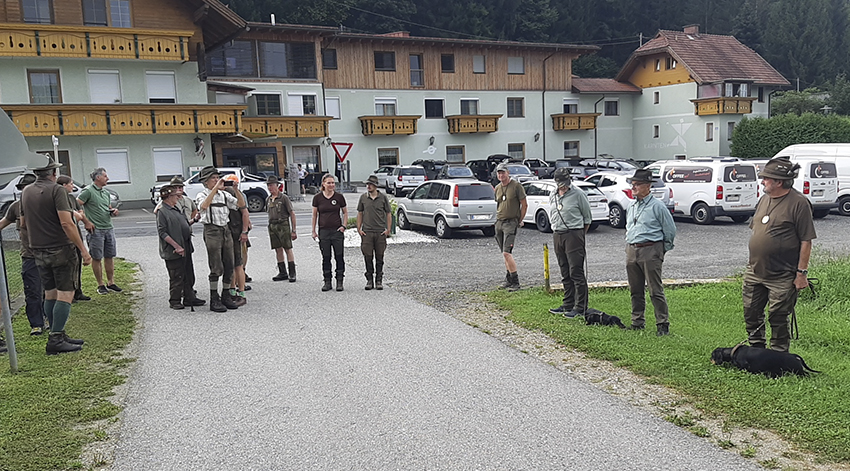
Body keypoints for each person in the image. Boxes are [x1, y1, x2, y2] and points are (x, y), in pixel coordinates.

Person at [743, 157, 816, 352]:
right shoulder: (764, 199)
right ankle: (756, 351)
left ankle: (778, 355)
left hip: (782, 274)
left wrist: (801, 274)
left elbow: (806, 241)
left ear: (779, 182)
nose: (762, 181)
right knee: (751, 313)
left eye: (766, 178)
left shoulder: (799, 203)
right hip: (755, 271)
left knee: (778, 317)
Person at [21, 156, 92, 355]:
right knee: (66, 292)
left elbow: (23, 223)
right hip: (60, 248)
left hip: (37, 249)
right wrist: (83, 250)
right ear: (53, 173)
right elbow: (67, 223)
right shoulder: (57, 190)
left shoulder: (26, 191)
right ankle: (56, 338)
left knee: (50, 292)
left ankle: (56, 331)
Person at [624, 169, 677, 336]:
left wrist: (661, 250)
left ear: (648, 186)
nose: (633, 187)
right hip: (632, 249)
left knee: (655, 289)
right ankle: (637, 321)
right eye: (632, 184)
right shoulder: (631, 205)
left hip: (650, 249)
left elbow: (670, 230)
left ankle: (662, 323)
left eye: (637, 184)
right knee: (635, 289)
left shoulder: (657, 206)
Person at [0, 173, 47, 334]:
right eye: (22, 188)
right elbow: (3, 223)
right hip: (29, 256)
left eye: (27, 188)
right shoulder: (16, 206)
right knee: (33, 291)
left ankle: (50, 319)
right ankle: (36, 324)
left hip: (49, 253)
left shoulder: (46, 204)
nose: (24, 191)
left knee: (50, 290)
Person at [195, 166, 248, 312]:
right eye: (213, 178)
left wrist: (236, 190)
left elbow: (240, 205)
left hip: (225, 230)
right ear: (206, 181)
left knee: (229, 264)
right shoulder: (202, 194)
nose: (217, 180)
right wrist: (215, 189)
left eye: (218, 178)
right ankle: (214, 298)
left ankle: (226, 296)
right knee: (216, 266)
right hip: (212, 231)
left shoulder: (224, 195)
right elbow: (203, 206)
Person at [547, 167, 593, 318]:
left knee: (576, 271)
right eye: (561, 183)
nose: (564, 186)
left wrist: (579, 235)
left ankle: (580, 307)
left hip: (574, 234)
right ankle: (568, 303)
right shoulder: (553, 194)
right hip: (558, 234)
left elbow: (587, 218)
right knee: (564, 270)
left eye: (566, 183)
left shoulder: (578, 194)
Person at [153, 175, 204, 307]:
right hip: (173, 250)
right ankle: (175, 300)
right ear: (168, 197)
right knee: (176, 275)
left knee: (188, 273)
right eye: (176, 196)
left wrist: (194, 220)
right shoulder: (162, 211)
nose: (178, 197)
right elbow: (162, 232)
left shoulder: (176, 208)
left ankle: (189, 297)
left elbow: (184, 224)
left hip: (185, 245)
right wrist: (176, 246)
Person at [77, 167, 122, 295]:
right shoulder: (88, 191)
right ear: (98, 177)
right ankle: (100, 284)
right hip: (96, 230)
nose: (108, 178)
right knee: (97, 257)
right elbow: (76, 204)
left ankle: (111, 282)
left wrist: (113, 211)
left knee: (109, 256)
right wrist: (86, 221)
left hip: (108, 227)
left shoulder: (105, 192)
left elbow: (108, 207)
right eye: (105, 176)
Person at [56, 175, 92, 302]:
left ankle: (78, 291)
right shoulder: (58, 199)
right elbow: (69, 218)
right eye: (71, 184)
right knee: (67, 267)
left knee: (77, 264)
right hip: (65, 238)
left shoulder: (71, 198)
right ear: (64, 185)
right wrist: (75, 215)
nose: (72, 186)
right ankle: (68, 294)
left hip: (76, 234)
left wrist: (83, 219)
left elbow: (80, 213)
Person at [493, 163, 527, 291]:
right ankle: (509, 279)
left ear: (508, 173)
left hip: (510, 223)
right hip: (499, 222)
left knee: (507, 252)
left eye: (503, 172)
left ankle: (515, 281)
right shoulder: (497, 188)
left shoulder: (516, 186)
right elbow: (499, 204)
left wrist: (520, 220)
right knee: (504, 253)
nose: (501, 175)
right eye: (499, 173)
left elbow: (524, 205)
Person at [311, 173, 347, 292]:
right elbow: (314, 215)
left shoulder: (339, 197)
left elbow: (345, 212)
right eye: (329, 183)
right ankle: (327, 281)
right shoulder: (317, 198)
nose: (331, 185)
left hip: (336, 231)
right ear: (323, 184)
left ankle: (340, 280)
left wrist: (344, 226)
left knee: (339, 256)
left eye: (333, 183)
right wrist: (313, 231)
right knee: (326, 257)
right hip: (324, 231)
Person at [356, 175, 392, 290]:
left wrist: (388, 229)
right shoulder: (363, 197)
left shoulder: (383, 197)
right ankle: (369, 279)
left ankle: (379, 279)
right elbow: (360, 213)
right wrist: (359, 228)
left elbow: (388, 213)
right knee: (368, 256)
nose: (368, 186)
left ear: (376, 186)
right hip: (367, 232)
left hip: (380, 232)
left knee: (380, 256)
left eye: (371, 184)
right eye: (367, 184)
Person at [222, 174, 250, 306]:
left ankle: (241, 291)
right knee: (230, 264)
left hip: (236, 231)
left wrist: (244, 231)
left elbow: (244, 212)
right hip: (227, 232)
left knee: (238, 263)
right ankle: (232, 290)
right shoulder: (220, 193)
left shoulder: (237, 194)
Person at [266, 175, 297, 282]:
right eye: (268, 185)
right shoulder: (268, 199)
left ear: (277, 185)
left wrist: (294, 230)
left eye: (271, 185)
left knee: (287, 248)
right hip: (272, 225)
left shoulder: (283, 198)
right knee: (277, 249)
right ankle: (282, 272)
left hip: (283, 224)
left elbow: (292, 213)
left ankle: (292, 272)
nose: (270, 187)